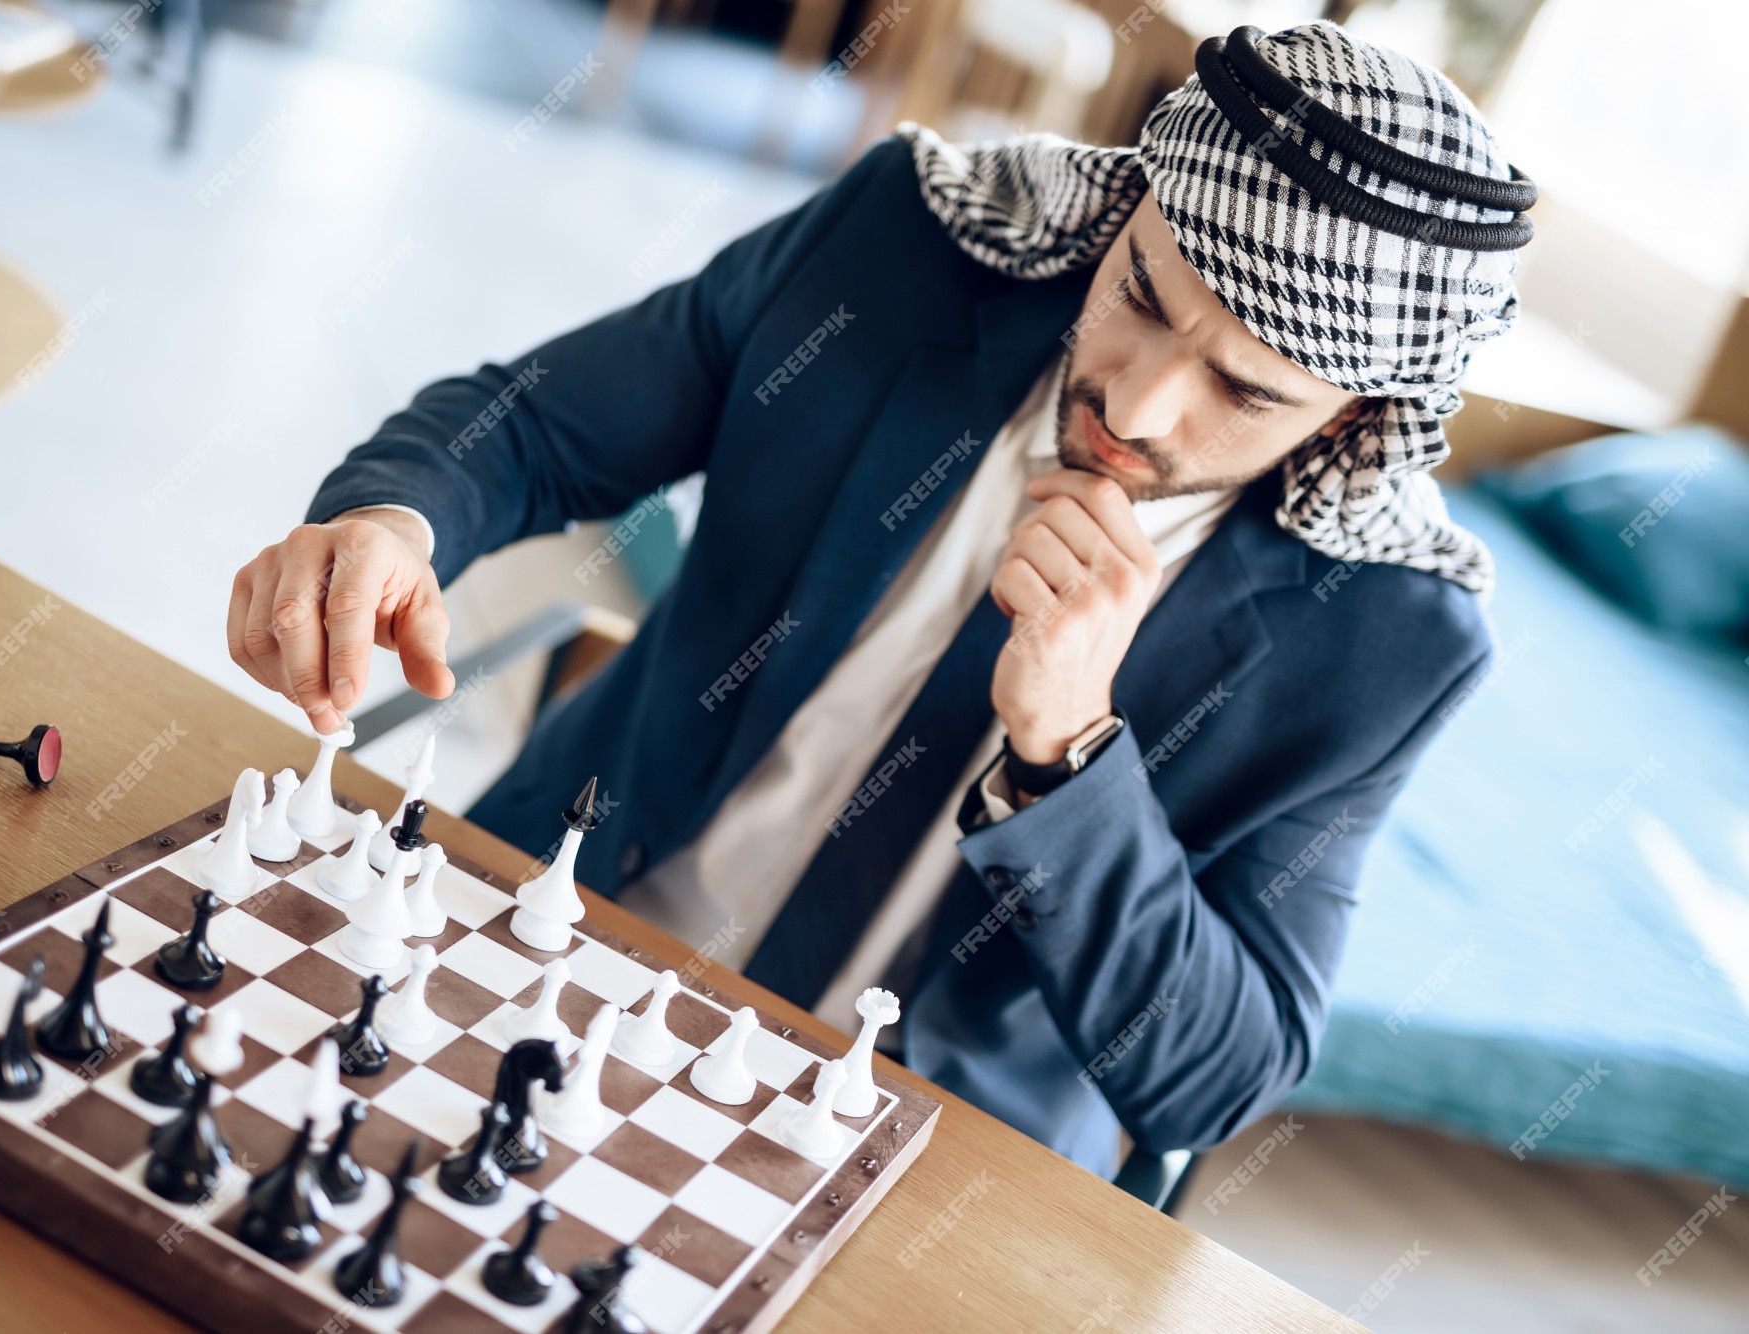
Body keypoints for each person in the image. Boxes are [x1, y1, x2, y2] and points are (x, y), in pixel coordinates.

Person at [227, 22, 1534, 1179]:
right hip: (555, 941)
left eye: (1245, 393)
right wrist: (386, 518)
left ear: (1360, 414)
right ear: (1130, 198)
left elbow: (1214, 1075)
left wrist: (1071, 756)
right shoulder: (899, 244)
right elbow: (539, 427)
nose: (1137, 404)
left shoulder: (1389, 636)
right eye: (1141, 295)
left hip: (917, 1160)